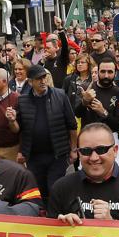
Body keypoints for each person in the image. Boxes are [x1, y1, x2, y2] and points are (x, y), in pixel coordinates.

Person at [16, 64, 77, 198]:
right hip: (34, 156)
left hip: (58, 154)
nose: (43, 81)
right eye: (39, 79)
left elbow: (72, 125)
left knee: (54, 187)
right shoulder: (22, 100)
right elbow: (19, 129)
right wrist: (11, 120)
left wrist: (73, 149)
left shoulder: (60, 95)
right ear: (30, 82)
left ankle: (55, 214)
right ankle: (44, 215)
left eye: (44, 77)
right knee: (40, 189)